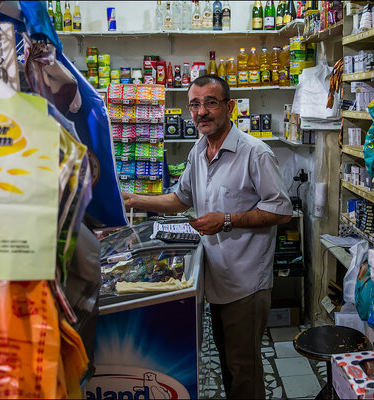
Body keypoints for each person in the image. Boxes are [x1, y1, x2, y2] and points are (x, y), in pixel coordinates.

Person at [122, 75, 293, 399]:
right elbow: (180, 200)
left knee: (244, 369)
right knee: (229, 363)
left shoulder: (254, 153)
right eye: (195, 104)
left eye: (210, 102)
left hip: (245, 283)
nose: (202, 111)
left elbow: (282, 211)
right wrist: (132, 199)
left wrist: (226, 220)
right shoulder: (198, 151)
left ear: (229, 107)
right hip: (214, 277)